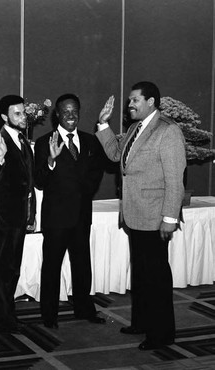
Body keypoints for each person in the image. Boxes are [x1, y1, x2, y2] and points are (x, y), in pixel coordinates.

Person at [96, 81, 186, 350]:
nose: (129, 105)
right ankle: (142, 323)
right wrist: (103, 124)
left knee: (156, 278)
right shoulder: (136, 128)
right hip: (135, 215)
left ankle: (161, 335)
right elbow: (115, 156)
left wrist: (170, 218)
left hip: (155, 217)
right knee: (142, 276)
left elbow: (175, 179)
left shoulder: (168, 131)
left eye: (134, 100)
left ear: (151, 102)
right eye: (129, 101)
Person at [34, 93, 105, 329]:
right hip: (56, 217)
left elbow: (96, 174)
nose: (71, 116)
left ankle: (85, 309)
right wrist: (51, 162)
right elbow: (40, 181)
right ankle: (49, 315)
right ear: (57, 114)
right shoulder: (45, 143)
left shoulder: (91, 141)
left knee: (82, 264)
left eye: (74, 111)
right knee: (52, 267)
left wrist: (82, 191)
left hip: (82, 215)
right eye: (66, 111)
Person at [0, 95, 36, 334]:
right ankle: (0, 319)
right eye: (17, 114)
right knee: (3, 268)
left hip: (18, 216)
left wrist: (30, 213)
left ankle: (8, 315)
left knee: (13, 268)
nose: (23, 117)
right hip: (3, 216)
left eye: (24, 113)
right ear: (4, 117)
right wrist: (1, 158)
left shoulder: (22, 140)